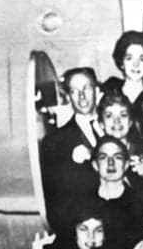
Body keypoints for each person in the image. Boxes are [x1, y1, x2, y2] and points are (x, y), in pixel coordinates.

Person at [41, 67, 102, 232]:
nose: (82, 96)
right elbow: (54, 202)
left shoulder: (116, 128)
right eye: (74, 91)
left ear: (96, 90)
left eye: (86, 89)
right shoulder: (54, 143)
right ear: (68, 97)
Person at [96, 91, 143, 194]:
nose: (117, 121)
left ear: (130, 122)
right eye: (109, 115)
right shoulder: (95, 157)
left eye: (123, 115)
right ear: (101, 123)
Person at [89, 134, 143, 249]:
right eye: (103, 157)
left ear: (126, 165)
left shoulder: (139, 204)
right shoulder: (83, 202)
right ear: (95, 165)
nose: (111, 162)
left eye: (117, 157)